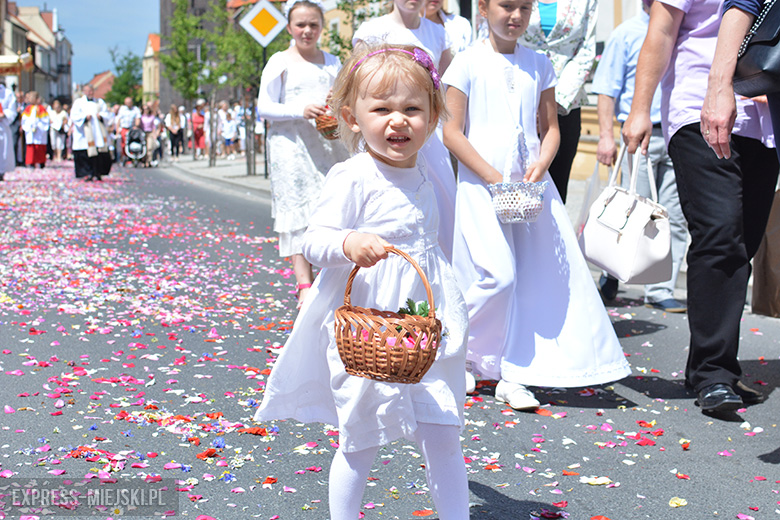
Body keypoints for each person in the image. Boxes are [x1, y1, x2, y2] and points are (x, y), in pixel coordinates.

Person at [255, 43, 469, 520]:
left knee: (443, 429)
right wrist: (348, 242)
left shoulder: (429, 176)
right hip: (368, 330)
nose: (399, 121)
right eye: (383, 109)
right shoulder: (351, 175)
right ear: (352, 117)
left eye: (413, 109)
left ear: (433, 118)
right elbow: (314, 240)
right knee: (360, 437)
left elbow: (437, 250)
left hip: (422, 328)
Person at [442, 0, 630, 407]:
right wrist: (492, 177)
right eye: (506, 6)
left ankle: (513, 370)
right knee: (496, 274)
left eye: (523, 8)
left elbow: (550, 129)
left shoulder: (540, 63)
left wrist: (541, 165)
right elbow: (452, 132)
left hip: (529, 188)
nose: (515, 16)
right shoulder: (466, 62)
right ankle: (454, 343)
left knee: (530, 279)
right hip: (481, 184)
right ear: (484, 10)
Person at [623, 0, 778, 413]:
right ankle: (715, 373)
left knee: (741, 245)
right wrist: (640, 109)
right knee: (720, 233)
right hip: (699, 108)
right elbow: (660, 32)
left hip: (764, 122)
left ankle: (705, 366)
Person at [591, 0, 688, 312]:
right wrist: (606, 135)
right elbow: (607, 88)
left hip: (679, 133)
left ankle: (660, 289)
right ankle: (611, 271)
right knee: (629, 212)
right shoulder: (626, 33)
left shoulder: (684, 30)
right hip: (639, 136)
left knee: (672, 217)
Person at [257, 0, 348, 309]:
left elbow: (343, 97)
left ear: (321, 27)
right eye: (301, 25)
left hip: (327, 143)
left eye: (313, 25)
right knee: (297, 212)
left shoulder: (333, 61)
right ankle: (304, 284)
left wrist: (335, 105)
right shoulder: (280, 60)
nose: (307, 31)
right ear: (289, 28)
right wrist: (300, 109)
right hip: (291, 146)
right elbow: (264, 106)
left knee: (328, 211)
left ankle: (330, 278)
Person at [353, 0, 457, 260]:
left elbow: (444, 85)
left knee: (442, 203)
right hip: (388, 134)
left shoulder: (438, 32)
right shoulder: (371, 30)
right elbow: (358, 86)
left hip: (428, 133)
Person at [520, 0, 597, 203]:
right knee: (518, 186)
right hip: (518, 100)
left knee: (556, 191)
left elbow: (586, 50)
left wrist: (552, 105)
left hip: (565, 106)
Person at [70, 85, 112, 181]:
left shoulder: (100, 102)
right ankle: (87, 173)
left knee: (98, 154)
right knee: (85, 154)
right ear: (84, 91)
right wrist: (84, 117)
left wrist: (101, 116)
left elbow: (107, 114)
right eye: (88, 91)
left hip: (97, 133)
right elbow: (74, 115)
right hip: (84, 133)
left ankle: (97, 173)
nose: (90, 93)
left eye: (91, 91)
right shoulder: (79, 102)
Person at [21, 91, 49, 169]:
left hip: (39, 130)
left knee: (39, 147)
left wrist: (38, 124)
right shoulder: (28, 108)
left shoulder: (41, 108)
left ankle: (41, 162)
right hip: (31, 131)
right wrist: (30, 125)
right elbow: (24, 119)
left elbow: (45, 119)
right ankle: (31, 162)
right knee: (31, 147)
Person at [0, 81, 17, 181]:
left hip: (3, 125)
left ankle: (1, 172)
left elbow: (12, 110)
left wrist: (4, 114)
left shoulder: (7, 93)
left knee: (3, 150)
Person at [117, 97, 141, 164]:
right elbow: (119, 120)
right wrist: (118, 129)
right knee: (124, 143)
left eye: (129, 102)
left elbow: (137, 119)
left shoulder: (135, 109)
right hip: (124, 128)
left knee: (131, 142)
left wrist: (136, 126)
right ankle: (125, 156)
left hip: (132, 130)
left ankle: (131, 157)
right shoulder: (122, 109)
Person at [48, 100, 68, 164]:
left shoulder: (63, 113)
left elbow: (66, 120)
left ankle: (59, 156)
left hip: (60, 130)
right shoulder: (51, 113)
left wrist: (62, 124)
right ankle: (55, 155)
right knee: (53, 143)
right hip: (53, 129)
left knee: (60, 143)